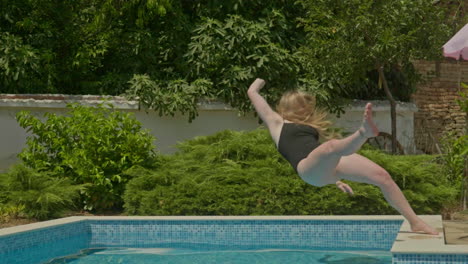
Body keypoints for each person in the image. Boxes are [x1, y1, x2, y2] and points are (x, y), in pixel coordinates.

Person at [247, 78, 438, 235]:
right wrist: (258, 83)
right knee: (331, 147)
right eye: (299, 106)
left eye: (306, 106)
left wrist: (336, 180)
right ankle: (362, 133)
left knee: (382, 177)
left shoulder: (310, 128)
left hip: (325, 166)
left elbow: (324, 160)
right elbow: (253, 94)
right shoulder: (277, 123)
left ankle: (415, 222)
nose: (304, 110)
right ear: (285, 108)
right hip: (307, 169)